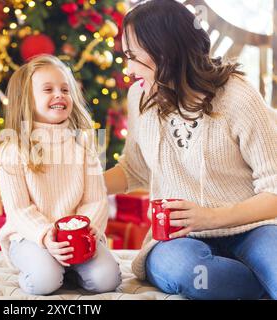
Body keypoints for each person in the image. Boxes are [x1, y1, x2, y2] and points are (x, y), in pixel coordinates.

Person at [104, 0, 277, 300]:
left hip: (253, 228)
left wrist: (210, 217)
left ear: (164, 49)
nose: (128, 69)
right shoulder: (140, 97)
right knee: (185, 271)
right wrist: (81, 181)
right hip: (178, 239)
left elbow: (274, 191)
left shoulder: (237, 96)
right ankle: (258, 283)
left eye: (133, 57)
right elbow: (135, 169)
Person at [0, 54, 122, 295]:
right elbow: (18, 210)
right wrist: (46, 236)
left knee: (107, 280)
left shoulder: (84, 144)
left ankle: (69, 270)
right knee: (44, 281)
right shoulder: (14, 149)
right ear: (26, 100)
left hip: (78, 235)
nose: (59, 95)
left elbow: (95, 199)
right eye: (48, 89)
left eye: (65, 90)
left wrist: (89, 229)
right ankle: (49, 268)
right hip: (31, 236)